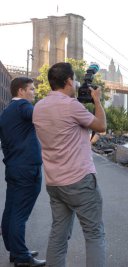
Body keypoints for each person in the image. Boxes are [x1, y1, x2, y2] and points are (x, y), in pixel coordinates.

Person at [33, 62, 106, 267]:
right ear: (67, 81)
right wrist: (97, 101)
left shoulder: (38, 107)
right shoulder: (71, 106)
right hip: (79, 180)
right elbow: (100, 126)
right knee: (94, 233)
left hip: (54, 182)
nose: (75, 83)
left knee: (58, 233)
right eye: (73, 79)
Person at [0, 77, 46, 266]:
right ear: (21, 91)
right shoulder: (23, 107)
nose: (34, 92)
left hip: (14, 168)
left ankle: (16, 250)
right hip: (27, 169)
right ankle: (21, 256)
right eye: (32, 89)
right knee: (20, 214)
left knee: (11, 211)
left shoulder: (6, 112)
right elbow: (41, 117)